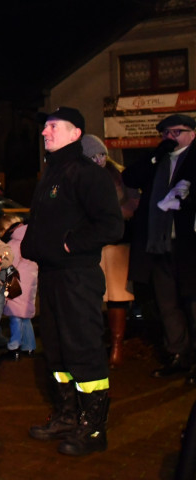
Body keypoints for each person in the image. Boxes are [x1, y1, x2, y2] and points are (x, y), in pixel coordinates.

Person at [22, 107, 124, 456]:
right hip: (51, 276)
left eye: (53, 127)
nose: (45, 132)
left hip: (77, 277)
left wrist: (72, 244)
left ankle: (94, 429)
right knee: (57, 351)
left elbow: (111, 224)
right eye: (45, 126)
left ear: (75, 133)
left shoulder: (86, 174)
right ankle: (67, 416)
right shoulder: (52, 173)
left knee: (83, 349)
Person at [121, 113, 196, 380]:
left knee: (192, 301)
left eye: (176, 132)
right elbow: (130, 177)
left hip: (188, 244)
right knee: (167, 302)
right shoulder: (159, 160)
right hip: (159, 243)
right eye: (165, 133)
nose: (169, 137)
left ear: (192, 133)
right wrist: (156, 155)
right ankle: (178, 354)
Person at [81, 134, 138, 368]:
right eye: (94, 155)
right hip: (94, 244)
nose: (99, 159)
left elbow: (133, 203)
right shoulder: (80, 175)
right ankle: (96, 345)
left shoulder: (120, 175)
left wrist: (114, 217)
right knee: (93, 296)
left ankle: (116, 347)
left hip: (116, 242)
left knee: (117, 296)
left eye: (102, 154)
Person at [0, 214, 39, 360]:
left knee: (15, 317)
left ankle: (14, 346)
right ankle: (29, 346)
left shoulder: (14, 244)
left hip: (16, 283)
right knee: (25, 317)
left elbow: (8, 264)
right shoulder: (31, 239)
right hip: (29, 283)